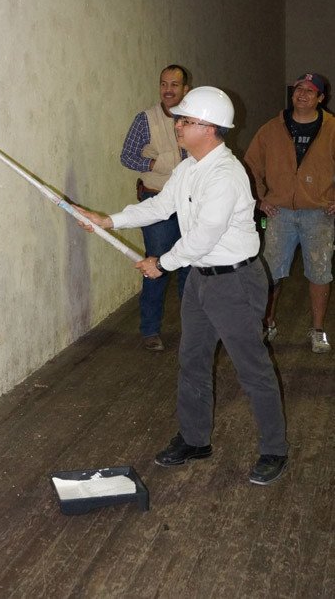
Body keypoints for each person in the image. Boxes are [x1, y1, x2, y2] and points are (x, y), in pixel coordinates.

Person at [77, 86, 288, 485]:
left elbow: (205, 236)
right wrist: (108, 220)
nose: (178, 125)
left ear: (208, 129)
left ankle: (275, 449)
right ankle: (195, 440)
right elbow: (159, 206)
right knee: (192, 360)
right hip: (201, 280)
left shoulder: (226, 175)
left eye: (185, 120)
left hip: (234, 282)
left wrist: (162, 263)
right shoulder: (189, 166)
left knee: (252, 368)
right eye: (181, 119)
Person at [244, 73, 335, 353]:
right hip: (279, 213)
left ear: (321, 98)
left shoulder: (332, 128)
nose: (302, 93)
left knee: (319, 273)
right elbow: (250, 165)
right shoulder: (272, 128)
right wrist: (259, 198)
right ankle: (267, 323)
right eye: (298, 89)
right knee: (271, 273)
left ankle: (317, 330)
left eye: (310, 90)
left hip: (319, 213)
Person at [120, 64, 191, 352]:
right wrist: (154, 164)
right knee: (156, 266)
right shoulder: (145, 119)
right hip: (155, 200)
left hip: (189, 204)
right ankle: (150, 330)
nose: (168, 90)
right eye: (164, 84)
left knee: (190, 266)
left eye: (174, 85)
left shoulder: (194, 119)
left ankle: (193, 329)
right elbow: (126, 156)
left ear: (185, 89)